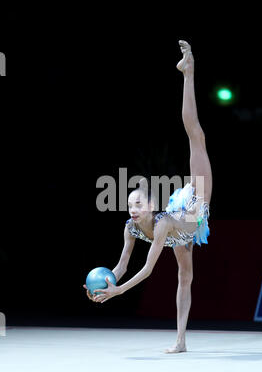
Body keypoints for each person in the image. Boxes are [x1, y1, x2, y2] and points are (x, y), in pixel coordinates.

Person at [83, 40, 213, 353]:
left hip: (193, 210)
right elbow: (123, 265)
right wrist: (104, 284)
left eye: (138, 204)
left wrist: (118, 293)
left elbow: (148, 270)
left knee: (195, 134)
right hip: (179, 225)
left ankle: (188, 72)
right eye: (129, 205)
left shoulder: (164, 222)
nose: (132, 210)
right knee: (184, 276)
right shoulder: (130, 228)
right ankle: (181, 340)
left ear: (151, 206)